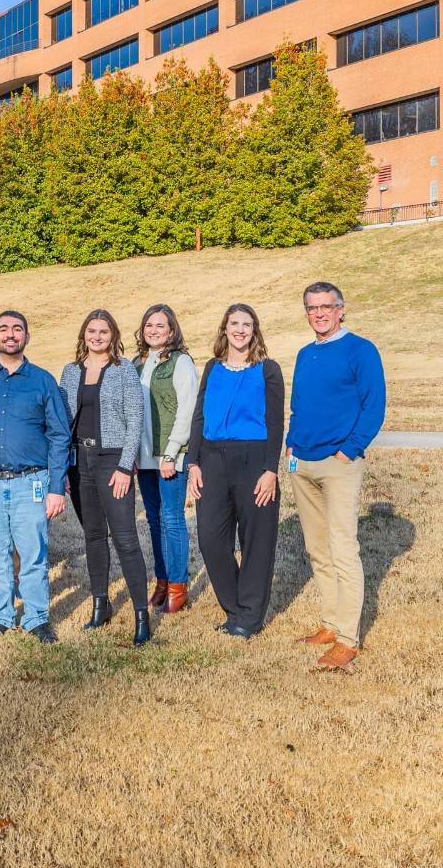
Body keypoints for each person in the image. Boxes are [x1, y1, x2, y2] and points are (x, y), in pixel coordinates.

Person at [287, 281, 386, 673]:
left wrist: (350, 448)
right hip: (303, 463)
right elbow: (298, 404)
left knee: (343, 550)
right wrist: (292, 445)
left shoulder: (361, 350)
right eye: (312, 308)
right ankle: (329, 623)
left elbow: (374, 405)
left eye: (326, 307)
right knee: (317, 548)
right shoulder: (305, 353)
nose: (319, 313)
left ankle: (347, 639)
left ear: (341, 309)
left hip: (339, 463)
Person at [0, 311, 69, 643]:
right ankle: (1, 616)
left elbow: (59, 436)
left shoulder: (43, 380)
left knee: (33, 553)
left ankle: (36, 617)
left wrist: (56, 488)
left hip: (31, 482)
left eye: (17, 329)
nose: (10, 334)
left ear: (27, 337)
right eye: (3, 329)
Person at [188, 304, 284, 640]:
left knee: (256, 541)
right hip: (212, 460)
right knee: (211, 540)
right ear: (224, 329)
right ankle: (234, 608)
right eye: (234, 324)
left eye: (247, 325)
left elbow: (275, 423)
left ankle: (250, 617)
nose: (240, 330)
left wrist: (270, 470)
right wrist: (194, 462)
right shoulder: (212, 368)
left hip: (254, 459)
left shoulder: (268, 369)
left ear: (255, 331)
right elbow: (199, 417)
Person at [59, 310, 151, 646]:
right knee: (93, 537)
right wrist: (61, 470)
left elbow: (135, 421)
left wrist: (126, 467)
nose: (97, 337)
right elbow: (60, 423)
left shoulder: (123, 370)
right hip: (79, 463)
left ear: (113, 336)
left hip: (112, 460)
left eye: (104, 332)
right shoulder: (70, 372)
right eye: (92, 331)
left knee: (126, 539)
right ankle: (101, 604)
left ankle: (142, 615)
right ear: (84, 335)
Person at [133, 305, 199, 614]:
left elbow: (187, 410)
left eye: (161, 325)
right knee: (154, 519)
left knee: (172, 519)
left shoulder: (180, 362)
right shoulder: (137, 364)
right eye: (149, 324)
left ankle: (177, 586)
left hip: (169, 455)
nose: (154, 330)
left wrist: (172, 451)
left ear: (171, 330)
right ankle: (161, 580)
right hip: (144, 457)